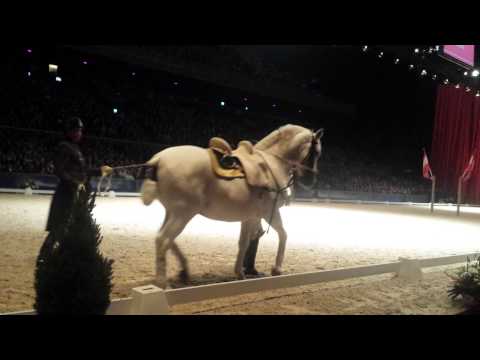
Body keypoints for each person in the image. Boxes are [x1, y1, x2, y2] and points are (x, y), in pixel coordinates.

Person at [45, 117, 113, 232]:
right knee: (59, 230)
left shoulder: (75, 148)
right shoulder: (64, 147)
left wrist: (101, 170)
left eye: (80, 131)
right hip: (67, 194)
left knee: (74, 231)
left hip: (77, 195)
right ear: (69, 131)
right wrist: (75, 183)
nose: (79, 133)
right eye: (76, 130)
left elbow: (84, 170)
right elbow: (59, 170)